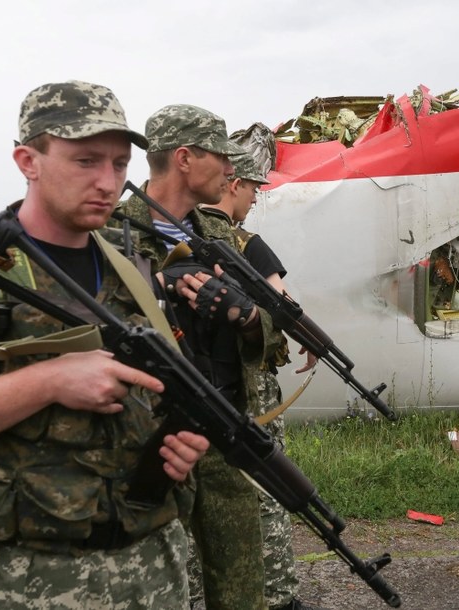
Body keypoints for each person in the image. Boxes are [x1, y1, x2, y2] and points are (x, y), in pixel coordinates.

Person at [0, 80, 210, 610]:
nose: (107, 181)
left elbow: (154, 395)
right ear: (28, 160)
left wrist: (176, 446)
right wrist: (48, 380)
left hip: (155, 567)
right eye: (86, 160)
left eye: (119, 164)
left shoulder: (133, 265)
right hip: (24, 579)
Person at [111, 104, 285, 610]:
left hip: (228, 433)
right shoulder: (114, 235)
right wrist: (159, 292)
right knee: (161, 587)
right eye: (222, 158)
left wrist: (249, 317)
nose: (233, 171)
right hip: (158, 446)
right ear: (185, 159)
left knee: (241, 588)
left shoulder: (221, 237)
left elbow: (271, 340)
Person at [198, 151, 323, 610]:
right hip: (252, 387)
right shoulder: (247, 244)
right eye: (252, 189)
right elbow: (284, 303)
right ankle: (278, 596)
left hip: (204, 384)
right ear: (232, 185)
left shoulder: (181, 233)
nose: (254, 199)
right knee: (269, 487)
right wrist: (314, 341)